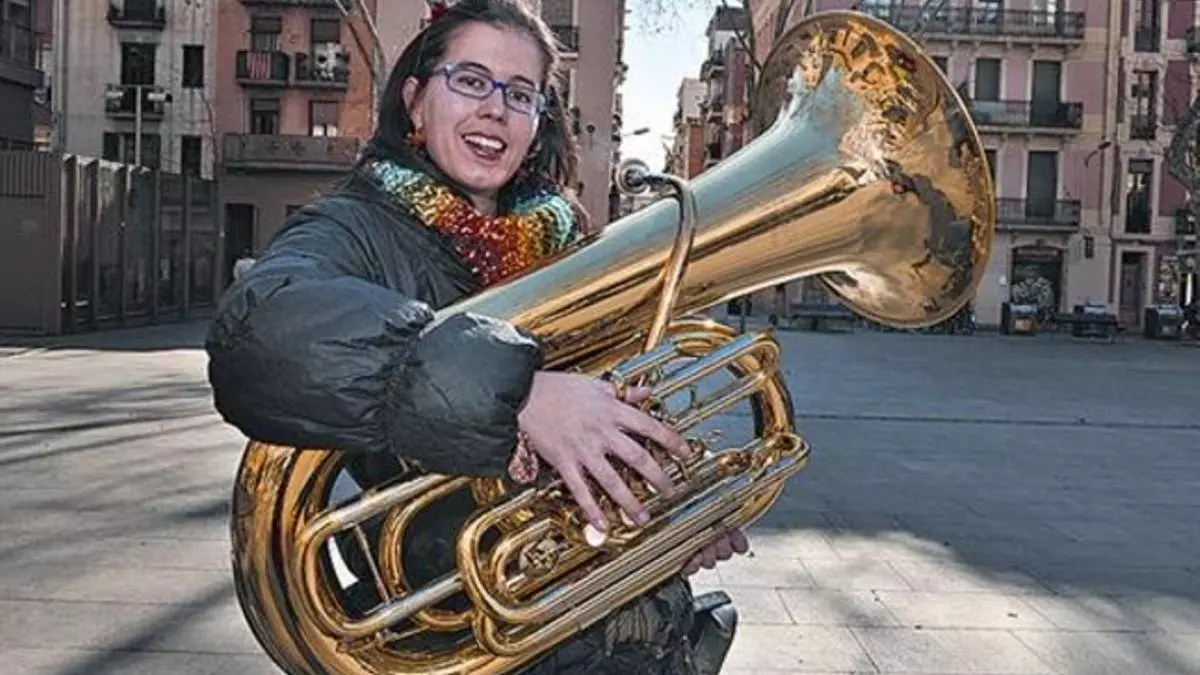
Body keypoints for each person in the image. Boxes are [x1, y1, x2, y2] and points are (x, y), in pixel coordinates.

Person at [205, 1, 747, 672]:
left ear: (538, 122)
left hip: (634, 635)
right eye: (470, 80)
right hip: (466, 639)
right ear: (415, 100)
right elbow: (255, 330)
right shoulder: (351, 228)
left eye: (520, 94)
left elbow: (613, 420)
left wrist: (666, 512)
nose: (495, 109)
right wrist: (517, 398)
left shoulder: (568, 239)